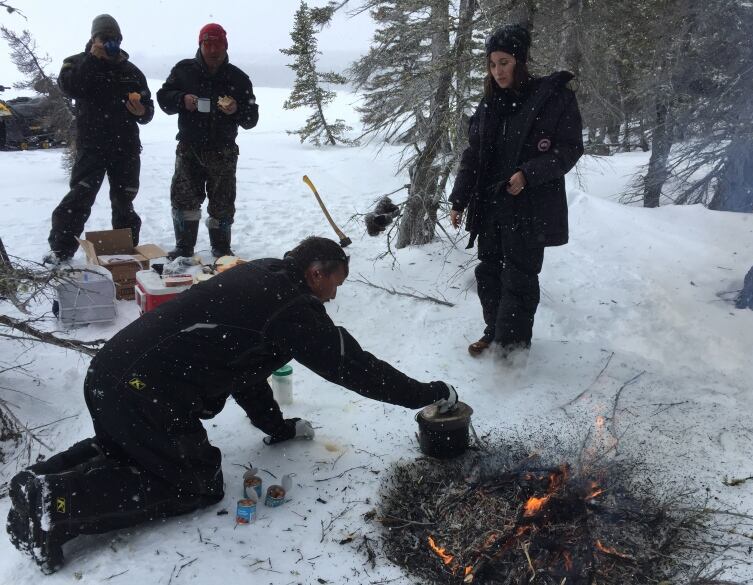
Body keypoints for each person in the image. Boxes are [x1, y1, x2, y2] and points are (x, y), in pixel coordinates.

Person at [6, 236, 458, 573]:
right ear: (316, 273)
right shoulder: (292, 310)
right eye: (335, 283)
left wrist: (275, 426)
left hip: (115, 374)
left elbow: (245, 363)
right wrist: (426, 394)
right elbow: (356, 368)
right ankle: (57, 502)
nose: (334, 295)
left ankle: (39, 479)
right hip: (144, 390)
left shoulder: (263, 274)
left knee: (132, 449)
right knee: (194, 484)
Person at [448, 24, 583, 358]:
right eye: (492, 64)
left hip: (530, 206)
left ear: (520, 61)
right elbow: (473, 155)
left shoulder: (553, 98)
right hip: (491, 205)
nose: (498, 71)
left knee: (520, 277)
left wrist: (527, 173)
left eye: (504, 62)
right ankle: (493, 334)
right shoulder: (490, 104)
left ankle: (513, 347)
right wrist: (459, 199)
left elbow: (569, 149)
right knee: (489, 272)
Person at [44, 14, 154, 265]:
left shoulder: (131, 71)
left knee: (124, 200)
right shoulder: (76, 63)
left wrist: (141, 111)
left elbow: (148, 110)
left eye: (115, 39)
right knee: (79, 198)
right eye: (105, 39)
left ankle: (125, 250)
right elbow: (70, 87)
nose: (110, 44)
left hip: (125, 146)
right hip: (91, 146)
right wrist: (94, 59)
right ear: (93, 38)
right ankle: (61, 251)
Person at [157, 23, 259, 260]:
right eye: (208, 44)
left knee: (222, 203)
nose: (213, 50)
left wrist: (236, 109)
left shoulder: (238, 78)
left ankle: (221, 249)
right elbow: (163, 99)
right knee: (184, 201)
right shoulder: (183, 71)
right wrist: (182, 99)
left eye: (218, 45)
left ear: (225, 46)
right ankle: (184, 248)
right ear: (200, 45)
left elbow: (251, 118)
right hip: (189, 149)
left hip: (223, 152)